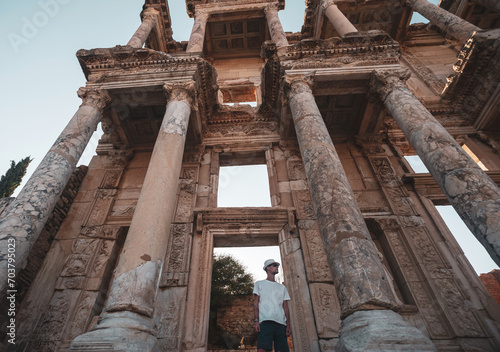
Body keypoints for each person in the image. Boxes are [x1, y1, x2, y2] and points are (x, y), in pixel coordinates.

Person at [253, 259, 291, 352]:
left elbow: (285, 307)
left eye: (277, 265)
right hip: (265, 321)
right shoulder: (259, 284)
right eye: (274, 265)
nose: (277, 267)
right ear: (267, 268)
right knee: (262, 349)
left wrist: (288, 325)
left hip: (281, 323)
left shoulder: (282, 287)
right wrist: (256, 321)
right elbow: (256, 303)